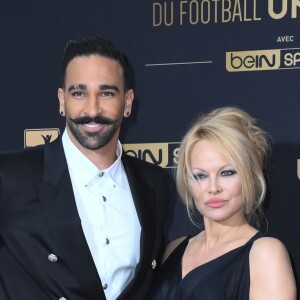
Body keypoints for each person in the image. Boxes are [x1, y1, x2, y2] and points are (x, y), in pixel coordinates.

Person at [0, 37, 172, 300]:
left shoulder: (155, 184)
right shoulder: (10, 177)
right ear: (61, 100)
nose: (92, 109)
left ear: (127, 103)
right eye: (79, 93)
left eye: (106, 93)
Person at [148, 107, 296, 299]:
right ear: (187, 182)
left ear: (250, 176)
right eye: (200, 175)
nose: (213, 188)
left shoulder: (265, 253)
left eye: (227, 173)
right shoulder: (174, 249)